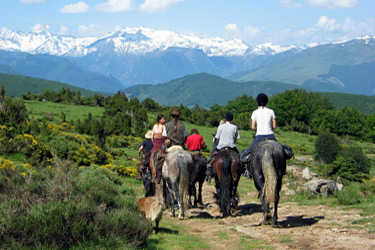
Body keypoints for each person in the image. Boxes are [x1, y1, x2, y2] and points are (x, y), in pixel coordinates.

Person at [240, 93, 277, 164]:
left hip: (259, 136)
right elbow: (274, 126)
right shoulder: (271, 111)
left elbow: (253, 127)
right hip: (270, 135)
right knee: (282, 150)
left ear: (258, 102)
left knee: (247, 153)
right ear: (266, 101)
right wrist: (270, 129)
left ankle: (247, 170)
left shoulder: (255, 112)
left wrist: (257, 130)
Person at [154, 109, 187, 183]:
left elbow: (164, 136)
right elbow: (185, 137)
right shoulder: (183, 125)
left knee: (160, 160)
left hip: (171, 147)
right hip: (181, 147)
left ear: (172, 116)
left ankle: (158, 176)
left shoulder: (167, 125)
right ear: (179, 117)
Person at [206, 112, 240, 178]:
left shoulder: (220, 127)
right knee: (239, 158)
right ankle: (243, 169)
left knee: (211, 157)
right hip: (231, 147)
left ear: (225, 118)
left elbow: (217, 138)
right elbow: (235, 139)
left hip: (221, 147)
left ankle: (210, 169)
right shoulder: (235, 127)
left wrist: (219, 144)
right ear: (232, 119)